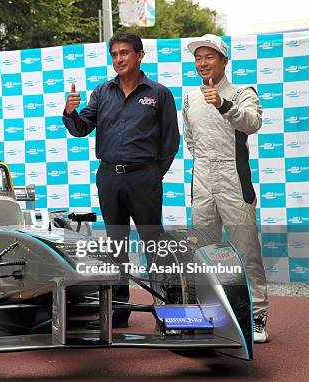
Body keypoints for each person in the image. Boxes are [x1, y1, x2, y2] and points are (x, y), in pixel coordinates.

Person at [62, 32, 179, 328]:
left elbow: (170, 142)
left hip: (144, 178)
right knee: (116, 246)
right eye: (114, 55)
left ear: (140, 55)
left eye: (124, 53)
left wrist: (153, 174)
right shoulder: (102, 92)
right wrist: (70, 111)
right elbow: (80, 129)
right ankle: (119, 311)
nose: (119, 59)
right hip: (109, 178)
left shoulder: (159, 93)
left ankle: (165, 310)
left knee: (153, 244)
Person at [183, 34, 269, 342]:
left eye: (209, 57)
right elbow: (190, 139)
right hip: (202, 178)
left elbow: (252, 122)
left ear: (224, 60)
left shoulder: (242, 91)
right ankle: (210, 313)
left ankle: (257, 317)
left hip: (234, 179)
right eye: (198, 58)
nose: (202, 63)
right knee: (203, 251)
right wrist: (206, 164)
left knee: (246, 251)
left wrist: (223, 104)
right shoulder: (190, 96)